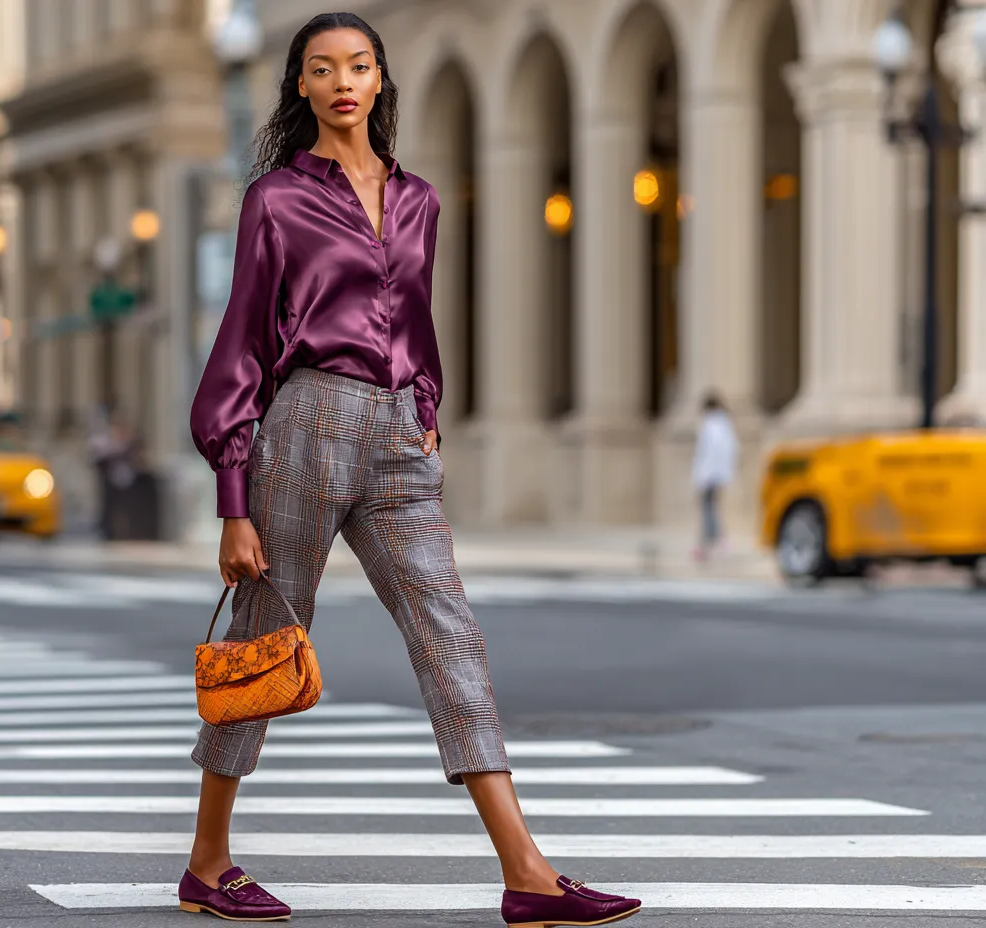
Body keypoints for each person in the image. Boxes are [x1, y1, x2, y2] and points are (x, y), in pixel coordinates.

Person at [183, 12, 641, 927]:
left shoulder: (421, 198)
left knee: (451, 637)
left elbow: (417, 318)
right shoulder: (275, 198)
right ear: (302, 87)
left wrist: (425, 405)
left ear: (382, 78)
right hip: (304, 421)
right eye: (322, 69)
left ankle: (528, 873)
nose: (343, 81)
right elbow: (240, 343)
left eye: (358, 65)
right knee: (261, 642)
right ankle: (208, 860)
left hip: (398, 437)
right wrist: (233, 498)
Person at [691, 391, 739, 561]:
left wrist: (702, 476)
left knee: (708, 510)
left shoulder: (711, 425)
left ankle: (710, 543)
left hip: (709, 475)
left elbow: (707, 453)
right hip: (717, 475)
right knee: (711, 508)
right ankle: (711, 543)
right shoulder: (724, 424)